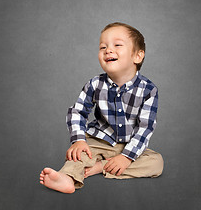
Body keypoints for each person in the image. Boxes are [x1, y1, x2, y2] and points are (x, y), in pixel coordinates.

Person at [39, 22, 164, 194]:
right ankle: (67, 178)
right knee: (80, 154)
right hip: (99, 141)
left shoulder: (148, 90)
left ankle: (102, 167)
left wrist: (127, 157)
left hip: (129, 144)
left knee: (156, 163)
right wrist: (79, 140)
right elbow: (78, 111)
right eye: (103, 47)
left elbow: (145, 128)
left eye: (117, 45)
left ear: (137, 56)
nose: (108, 50)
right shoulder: (95, 84)